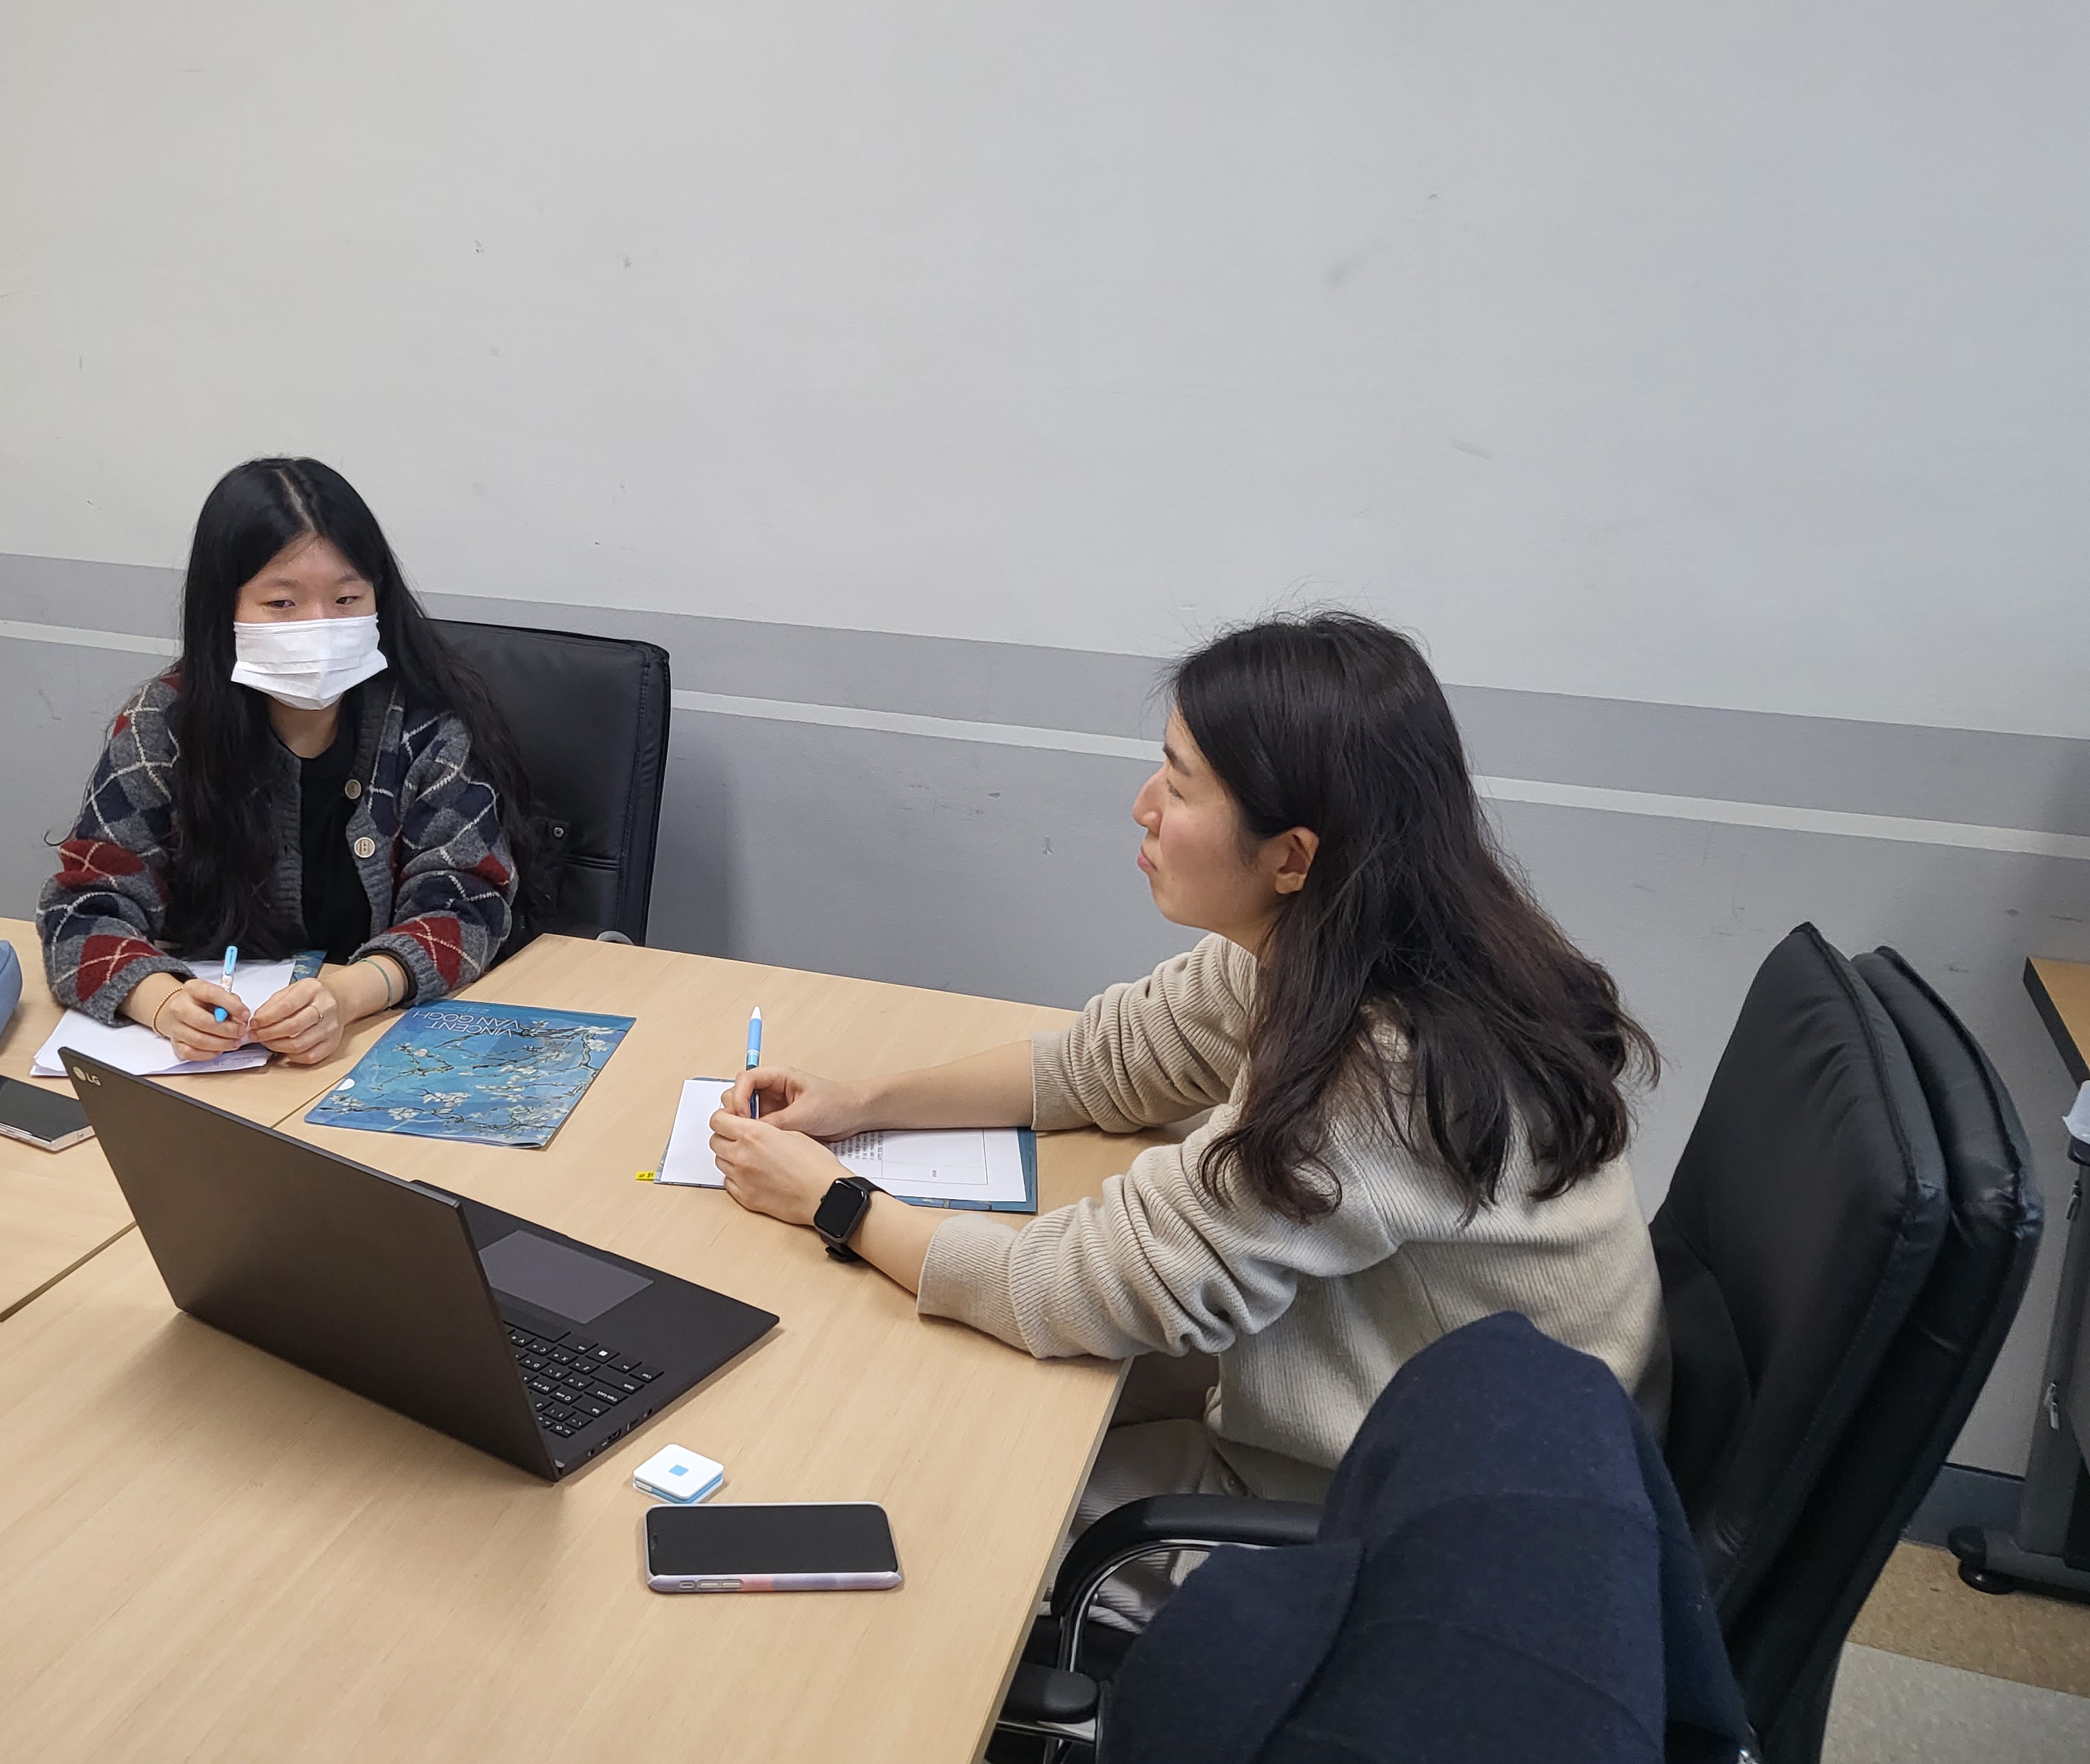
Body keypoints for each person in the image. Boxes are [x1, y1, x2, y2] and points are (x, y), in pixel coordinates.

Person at [707, 612, 1667, 1605]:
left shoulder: (1382, 1072)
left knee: (943, 1498)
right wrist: (862, 1101)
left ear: (1291, 856)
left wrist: (836, 1202)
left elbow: (1071, 1287)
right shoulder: (1355, 938)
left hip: (1423, 1535)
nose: (1142, 807)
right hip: (1387, 1402)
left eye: (1177, 783)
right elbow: (1107, 1062)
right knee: (945, 1378)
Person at [38, 456, 534, 1067]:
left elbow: (467, 905)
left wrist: (347, 996)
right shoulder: (161, 726)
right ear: (224, 609)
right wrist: (162, 1003)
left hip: (372, 1047)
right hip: (211, 1063)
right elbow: (83, 909)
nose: (318, 627)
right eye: (281, 603)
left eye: (347, 598)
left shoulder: (429, 724)